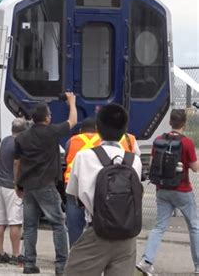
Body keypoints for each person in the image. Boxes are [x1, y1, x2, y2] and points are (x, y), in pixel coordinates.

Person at [64, 103, 142, 276]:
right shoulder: (134, 160)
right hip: (127, 238)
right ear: (124, 130)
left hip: (97, 233)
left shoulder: (84, 157)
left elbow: (73, 195)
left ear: (98, 128)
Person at [14, 93, 77, 275]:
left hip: (28, 186)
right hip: (46, 185)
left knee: (30, 225)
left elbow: (17, 162)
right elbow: (72, 121)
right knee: (58, 223)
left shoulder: (22, 138)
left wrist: (17, 184)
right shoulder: (52, 132)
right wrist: (72, 102)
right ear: (47, 118)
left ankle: (29, 264)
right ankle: (61, 265)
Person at [136, 109, 199, 275]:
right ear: (184, 123)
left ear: (170, 122)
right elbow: (195, 168)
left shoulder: (158, 140)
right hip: (182, 190)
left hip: (162, 189)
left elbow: (152, 163)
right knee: (194, 227)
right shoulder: (187, 143)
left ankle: (146, 260)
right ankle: (198, 265)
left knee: (159, 227)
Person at [0, 118, 26, 265]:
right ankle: (16, 254)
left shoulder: (5, 141)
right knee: (15, 222)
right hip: (11, 187)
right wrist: (18, 184)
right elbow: (17, 163)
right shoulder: (19, 144)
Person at [64, 117, 98, 247]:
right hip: (93, 184)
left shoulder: (71, 141)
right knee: (95, 219)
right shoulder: (101, 141)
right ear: (97, 130)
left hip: (73, 184)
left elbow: (67, 158)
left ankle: (74, 249)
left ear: (80, 130)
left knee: (73, 221)